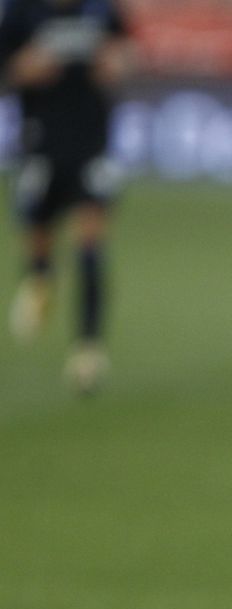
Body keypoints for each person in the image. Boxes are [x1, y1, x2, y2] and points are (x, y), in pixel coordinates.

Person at [1, 0, 132, 394]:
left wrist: (115, 65)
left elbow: (124, 59)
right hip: (40, 142)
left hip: (91, 143)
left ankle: (88, 349)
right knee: (37, 232)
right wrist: (30, 66)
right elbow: (11, 68)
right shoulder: (22, 11)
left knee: (90, 242)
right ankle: (41, 277)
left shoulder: (102, 11)